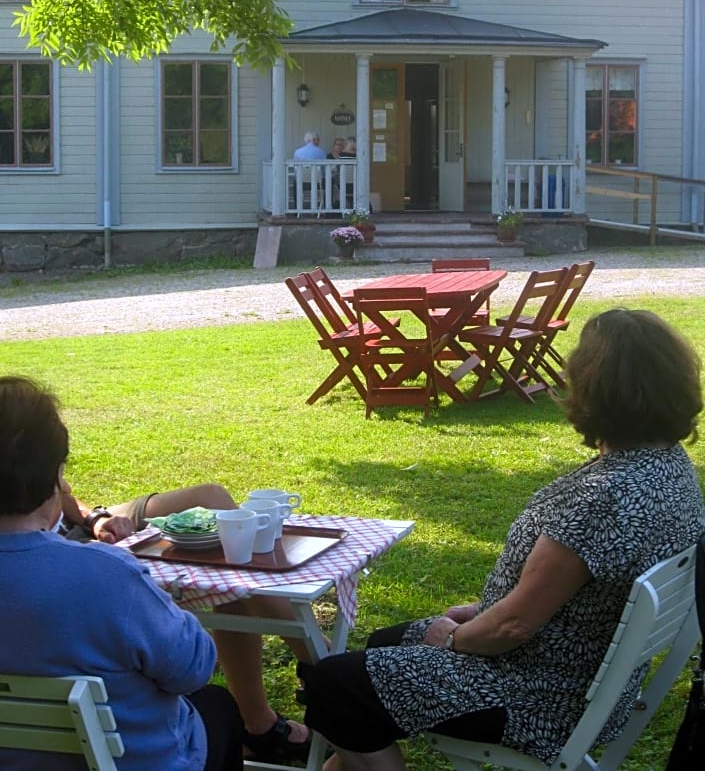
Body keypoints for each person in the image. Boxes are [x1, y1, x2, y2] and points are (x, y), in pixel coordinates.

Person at [303, 309, 705, 771]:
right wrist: (481, 613)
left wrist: (455, 639)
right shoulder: (672, 471)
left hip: (536, 697)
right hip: (586, 680)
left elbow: (512, 628)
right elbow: (575, 598)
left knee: (335, 683)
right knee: (382, 644)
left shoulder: (601, 497)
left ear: (594, 391)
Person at [0, 375, 244, 771]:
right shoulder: (106, 576)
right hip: (137, 759)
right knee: (217, 707)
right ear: (55, 476)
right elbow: (193, 670)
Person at [58, 481, 313, 763]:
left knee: (210, 498)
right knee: (230, 570)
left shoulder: (41, 482)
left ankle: (285, 696)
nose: (64, 482)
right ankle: (320, 668)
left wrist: (93, 519)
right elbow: (191, 670)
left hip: (57, 526)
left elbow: (54, 490)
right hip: (57, 541)